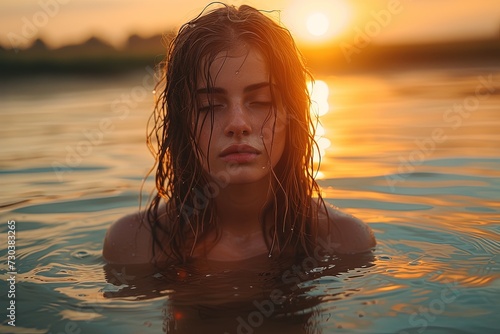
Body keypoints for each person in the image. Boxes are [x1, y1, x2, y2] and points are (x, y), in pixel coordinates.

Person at [102, 3, 375, 266]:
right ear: (182, 124)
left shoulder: (344, 242)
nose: (238, 123)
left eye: (261, 101)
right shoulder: (135, 245)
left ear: (292, 116)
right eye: (209, 106)